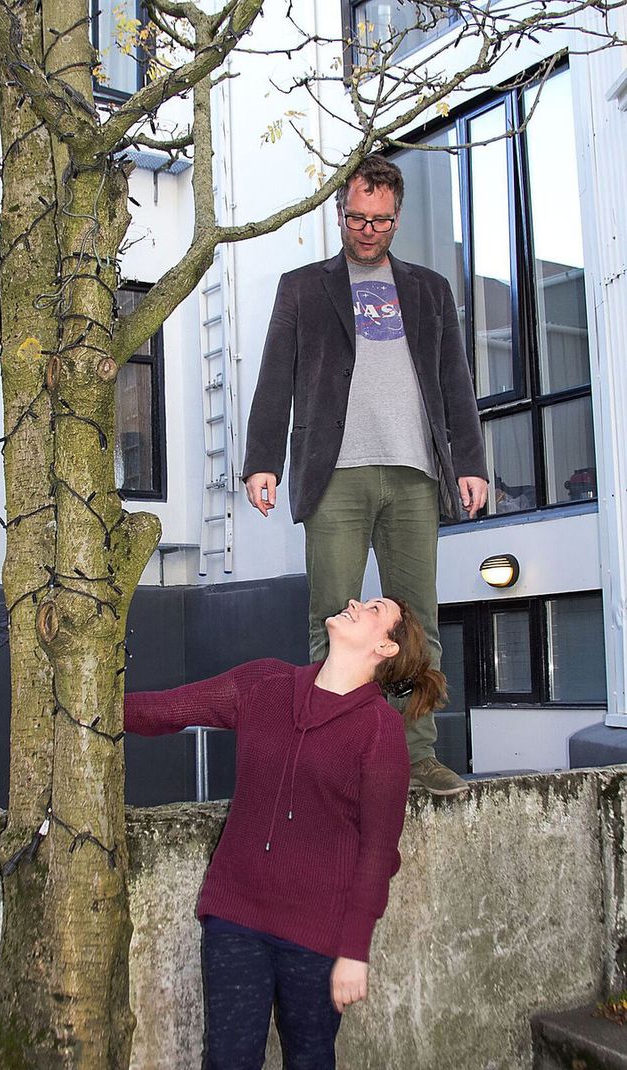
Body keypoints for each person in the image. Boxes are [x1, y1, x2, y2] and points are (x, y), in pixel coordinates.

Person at [243, 153, 489, 796]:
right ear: (341, 211)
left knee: (417, 622)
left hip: (414, 473)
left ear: (397, 217)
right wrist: (262, 460)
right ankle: (333, 754)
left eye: (380, 219)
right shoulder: (303, 287)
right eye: (356, 216)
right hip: (336, 476)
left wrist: (470, 464)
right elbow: (275, 378)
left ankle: (416, 756)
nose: (367, 229)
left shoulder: (430, 289)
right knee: (332, 617)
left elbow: (454, 383)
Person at [125, 597, 446, 1070]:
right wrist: (86, 709)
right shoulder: (265, 684)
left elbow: (378, 852)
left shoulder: (380, 731)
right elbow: (169, 709)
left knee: (310, 1060)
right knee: (228, 1061)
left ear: (385, 646)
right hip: (235, 915)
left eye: (375, 608)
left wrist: (355, 951)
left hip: (317, 935)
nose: (356, 602)